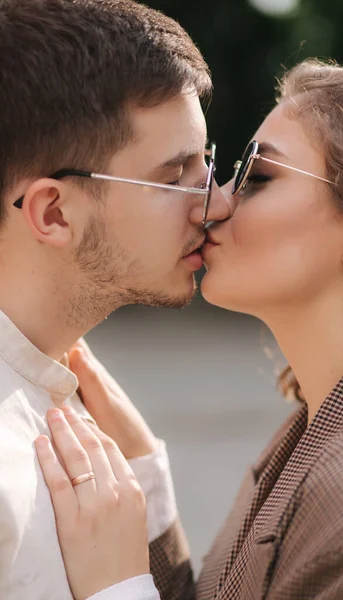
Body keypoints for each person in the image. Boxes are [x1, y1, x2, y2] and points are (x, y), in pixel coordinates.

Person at [38, 58, 343, 599]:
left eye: (259, 176)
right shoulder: (324, 424)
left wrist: (117, 590)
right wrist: (147, 486)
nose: (219, 200)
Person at [0, 0, 231, 598]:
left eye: (205, 162)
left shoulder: (63, 393)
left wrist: (148, 491)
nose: (216, 201)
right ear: (54, 212)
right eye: (174, 174)